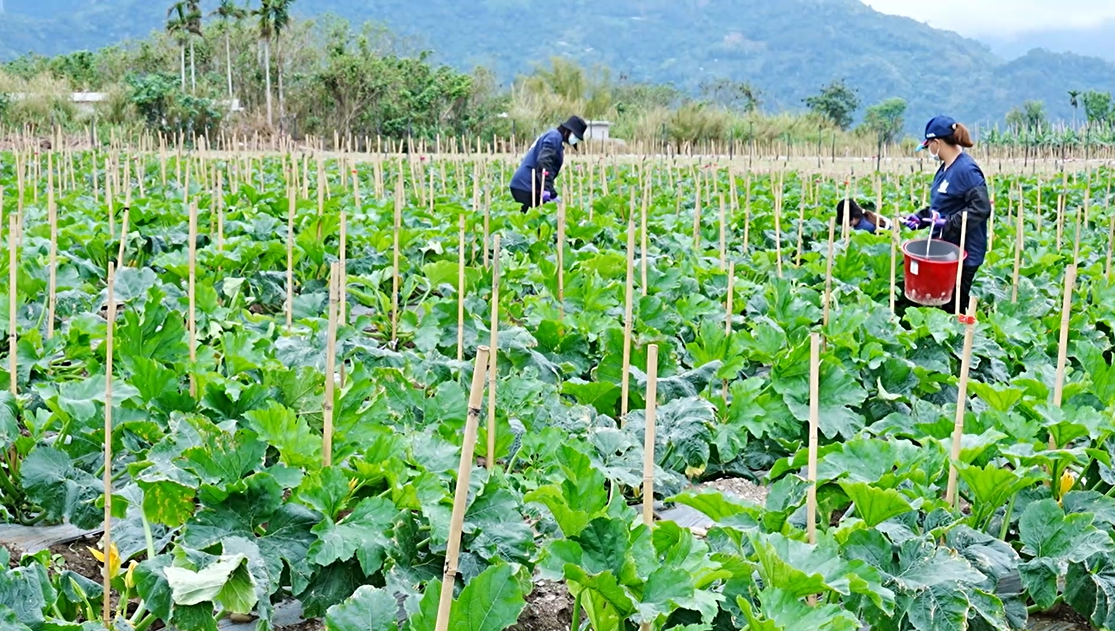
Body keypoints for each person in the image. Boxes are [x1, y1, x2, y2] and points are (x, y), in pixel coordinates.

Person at [903, 115, 991, 312]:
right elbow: (943, 206)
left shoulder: (966, 170)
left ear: (937, 142)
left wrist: (949, 222)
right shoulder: (944, 168)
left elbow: (981, 208)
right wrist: (922, 218)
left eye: (928, 146)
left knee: (953, 307)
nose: (929, 150)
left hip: (962, 253)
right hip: (944, 249)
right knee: (937, 305)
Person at [509, 116, 588, 212]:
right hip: (526, 186)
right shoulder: (554, 137)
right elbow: (544, 163)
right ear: (568, 131)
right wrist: (548, 190)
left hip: (526, 185)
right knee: (530, 218)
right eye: (575, 136)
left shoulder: (554, 136)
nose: (575, 140)